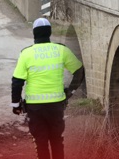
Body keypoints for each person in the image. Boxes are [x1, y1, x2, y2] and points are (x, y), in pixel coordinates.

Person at [11, 17, 85, 159]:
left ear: (34, 34)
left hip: (35, 107)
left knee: (41, 142)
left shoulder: (26, 53)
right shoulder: (61, 50)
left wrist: (16, 104)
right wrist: (70, 92)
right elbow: (79, 71)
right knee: (57, 140)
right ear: (49, 33)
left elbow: (17, 81)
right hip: (56, 105)